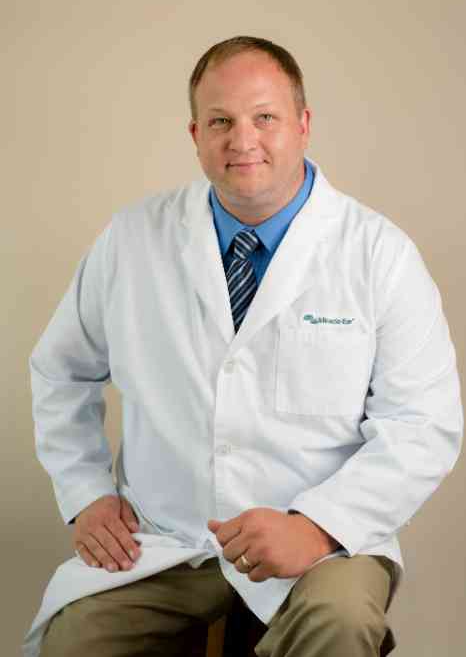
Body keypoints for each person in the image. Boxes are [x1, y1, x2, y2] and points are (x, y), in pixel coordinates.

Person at [24, 36, 463, 657]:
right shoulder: (132, 239)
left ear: (303, 124)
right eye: (220, 121)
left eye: (265, 117)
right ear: (195, 134)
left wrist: (317, 527)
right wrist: (86, 495)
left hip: (326, 547)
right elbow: (60, 370)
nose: (242, 139)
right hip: (167, 540)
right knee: (75, 642)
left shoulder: (378, 254)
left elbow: (423, 424)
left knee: (340, 623)